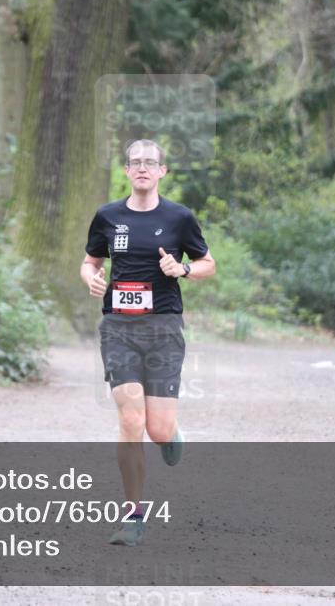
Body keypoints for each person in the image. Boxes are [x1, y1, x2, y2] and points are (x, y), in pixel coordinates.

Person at [79, 139, 216, 546]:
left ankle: (172, 436)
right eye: (135, 162)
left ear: (162, 171)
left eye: (150, 163)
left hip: (163, 329)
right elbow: (90, 262)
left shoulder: (179, 218)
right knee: (130, 420)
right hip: (119, 327)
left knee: (157, 429)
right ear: (126, 170)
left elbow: (209, 263)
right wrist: (92, 279)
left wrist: (183, 269)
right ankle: (133, 516)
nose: (142, 168)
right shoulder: (107, 216)